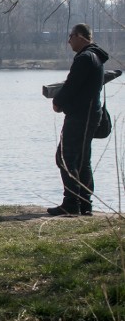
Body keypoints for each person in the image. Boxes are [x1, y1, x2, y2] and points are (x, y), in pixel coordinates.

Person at [49, 23, 107, 216]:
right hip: (91, 115)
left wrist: (58, 101)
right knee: (82, 160)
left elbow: (72, 85)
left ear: (81, 36)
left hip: (80, 116)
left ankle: (72, 203)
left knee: (64, 157)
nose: (69, 40)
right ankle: (84, 203)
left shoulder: (84, 58)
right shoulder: (96, 57)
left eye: (71, 35)